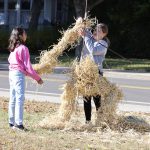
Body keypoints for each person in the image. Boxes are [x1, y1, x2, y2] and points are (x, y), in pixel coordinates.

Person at [8, 27, 43, 130]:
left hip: (11, 74)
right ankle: (19, 124)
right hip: (18, 75)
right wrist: (37, 78)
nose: (26, 35)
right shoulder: (23, 48)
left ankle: (11, 122)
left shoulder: (13, 48)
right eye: (24, 33)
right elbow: (28, 67)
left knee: (13, 98)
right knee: (19, 98)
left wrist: (26, 73)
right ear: (20, 36)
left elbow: (13, 62)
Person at [78, 19, 109, 124]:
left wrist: (86, 36)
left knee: (97, 97)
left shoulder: (103, 43)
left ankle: (100, 121)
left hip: (96, 72)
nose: (95, 32)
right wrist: (83, 26)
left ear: (104, 34)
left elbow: (93, 50)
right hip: (86, 72)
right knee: (86, 97)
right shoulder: (90, 39)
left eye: (99, 31)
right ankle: (88, 121)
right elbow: (85, 33)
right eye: (95, 30)